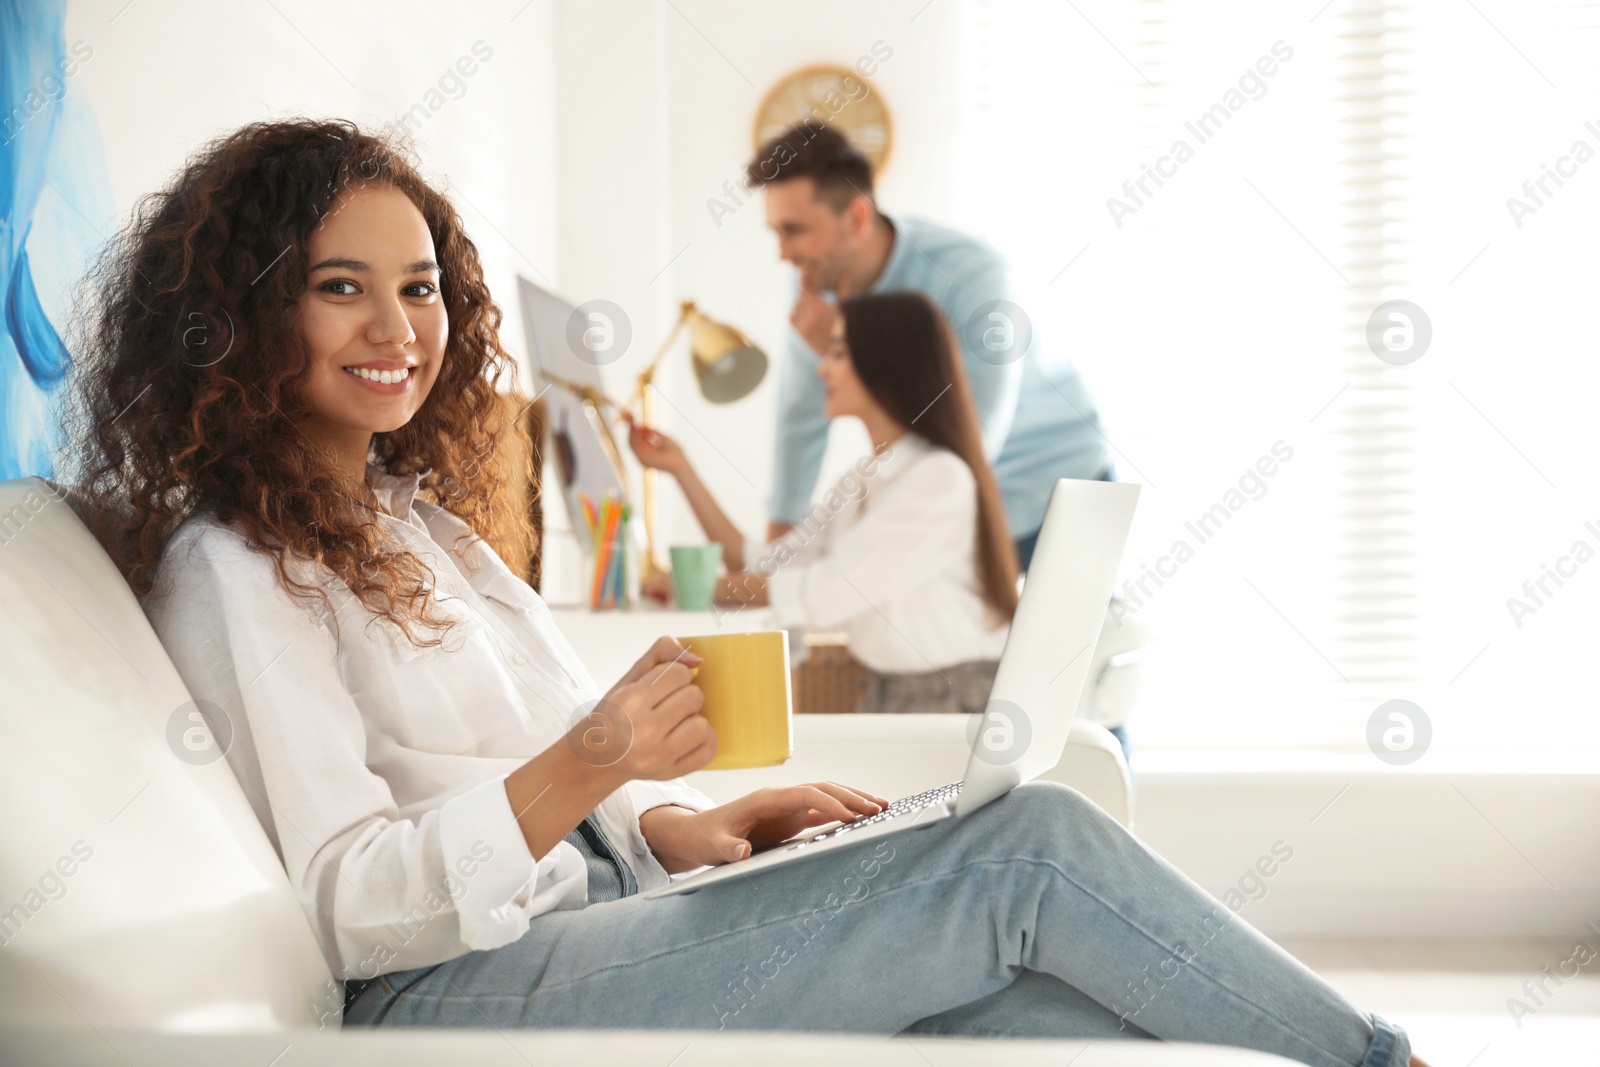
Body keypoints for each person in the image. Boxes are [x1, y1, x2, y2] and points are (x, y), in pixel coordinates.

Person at [61, 119, 1426, 1065]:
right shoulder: (238, 565)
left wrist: (680, 817)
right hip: (446, 994)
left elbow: (531, 797)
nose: (399, 328)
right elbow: (350, 900)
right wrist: (595, 751)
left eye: (418, 287)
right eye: (339, 287)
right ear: (242, 315)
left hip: (590, 922)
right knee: (1031, 849)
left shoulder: (420, 528)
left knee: (1009, 997)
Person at [749, 120, 1114, 574]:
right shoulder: (814, 281)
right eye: (775, 233)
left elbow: (970, 438)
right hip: (958, 498)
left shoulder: (972, 275)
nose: (783, 253)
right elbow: (800, 415)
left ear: (857, 218)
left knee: (1072, 645)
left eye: (795, 230)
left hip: (1057, 480)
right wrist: (776, 556)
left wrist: (851, 353)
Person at [629, 289, 1016, 715]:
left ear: (885, 364)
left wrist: (694, 586)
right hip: (890, 691)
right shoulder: (863, 479)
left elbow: (825, 592)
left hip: (954, 698)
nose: (821, 369)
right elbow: (762, 564)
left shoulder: (939, 479)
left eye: (837, 354)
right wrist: (682, 469)